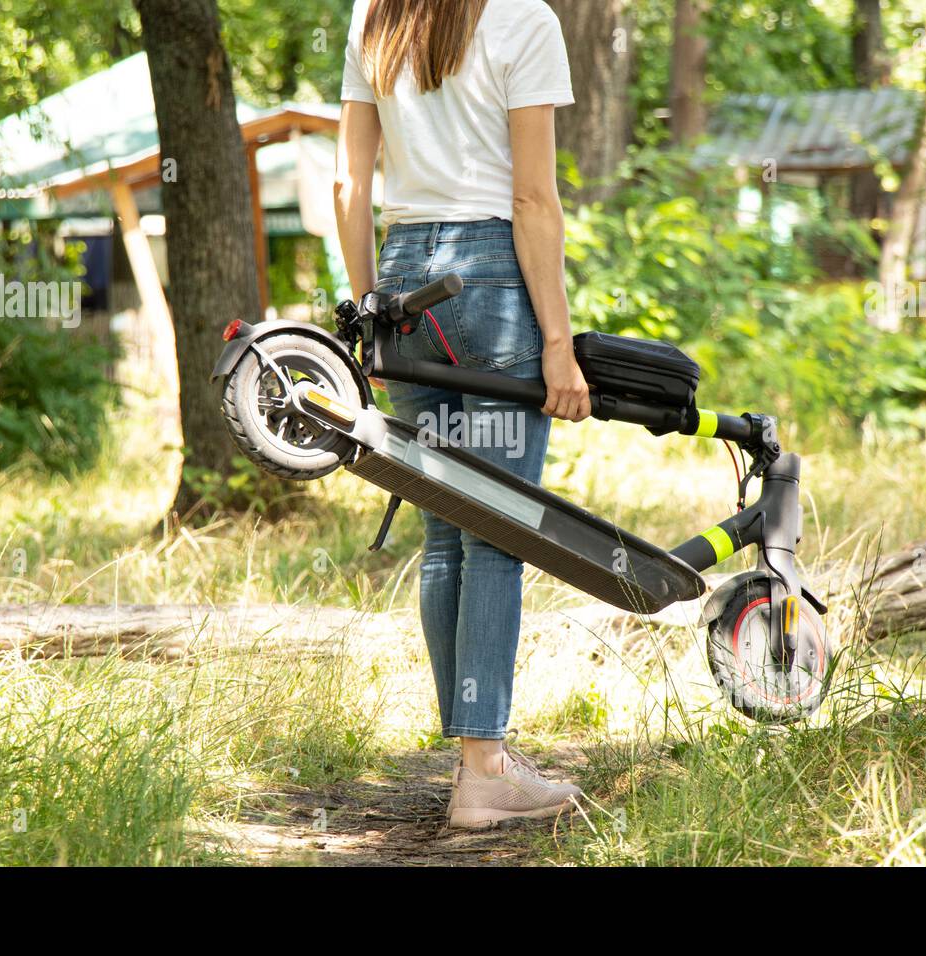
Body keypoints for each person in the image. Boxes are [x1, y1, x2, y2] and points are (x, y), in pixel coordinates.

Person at [333, 0, 591, 829]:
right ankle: (484, 772)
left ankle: (477, 760)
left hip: (405, 281)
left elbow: (350, 182)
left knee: (447, 533)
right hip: (490, 283)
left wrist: (368, 307)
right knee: (501, 532)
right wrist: (558, 340)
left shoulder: (375, 15)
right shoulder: (524, 19)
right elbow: (534, 201)